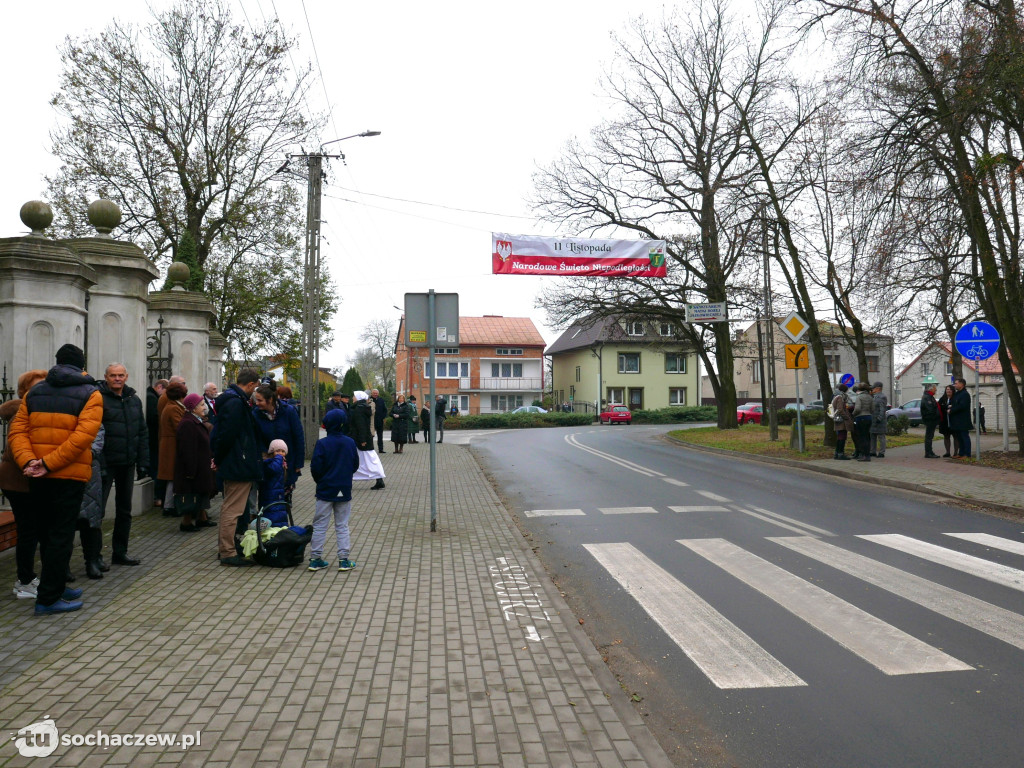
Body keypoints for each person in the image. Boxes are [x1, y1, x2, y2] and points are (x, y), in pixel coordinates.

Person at [9, 344, 102, 614]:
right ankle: (49, 598)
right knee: (61, 535)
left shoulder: (35, 392)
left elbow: (17, 433)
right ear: (82, 366)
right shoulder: (91, 393)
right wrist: (48, 464)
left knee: (46, 533)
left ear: (57, 363)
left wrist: (30, 462)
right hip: (67, 474)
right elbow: (83, 437)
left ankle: (56, 584)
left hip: (37, 474)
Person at [97, 363, 149, 566]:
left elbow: (142, 432)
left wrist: (143, 462)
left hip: (127, 463)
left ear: (126, 377)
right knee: (98, 512)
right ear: (106, 377)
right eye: (113, 375)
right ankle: (95, 557)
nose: (117, 379)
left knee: (124, 511)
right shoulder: (98, 399)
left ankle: (120, 553)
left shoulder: (134, 400)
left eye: (120, 375)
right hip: (105, 463)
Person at [1, 369, 47, 599]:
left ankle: (27, 577)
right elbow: (15, 450)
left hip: (27, 481)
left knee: (33, 530)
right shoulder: (21, 412)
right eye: (35, 387)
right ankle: (24, 582)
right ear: (24, 391)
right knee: (28, 531)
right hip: (19, 482)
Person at [211, 368, 262, 565]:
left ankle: (228, 548)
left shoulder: (233, 401)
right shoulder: (235, 403)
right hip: (237, 463)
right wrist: (220, 457)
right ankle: (227, 552)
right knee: (232, 510)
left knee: (231, 508)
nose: (255, 391)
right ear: (250, 384)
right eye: (255, 387)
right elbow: (227, 435)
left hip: (235, 461)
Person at [308, 408, 360, 572]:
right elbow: (355, 464)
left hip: (325, 489)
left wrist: (321, 481)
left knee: (320, 525)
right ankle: (344, 560)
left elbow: (315, 467)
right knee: (342, 525)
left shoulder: (322, 443)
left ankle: (315, 559)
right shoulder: (350, 442)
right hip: (344, 488)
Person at [251, 384, 305, 500]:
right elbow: (255, 439)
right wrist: (265, 454)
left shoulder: (288, 411)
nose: (256, 403)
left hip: (288, 463)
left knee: (284, 500)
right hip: (267, 464)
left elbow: (298, 437)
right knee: (267, 498)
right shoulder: (255, 414)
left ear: (270, 400)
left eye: (260, 400)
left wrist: (298, 463)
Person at [174, 393, 217, 532]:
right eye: (202, 405)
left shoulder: (196, 421)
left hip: (201, 466)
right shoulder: (188, 423)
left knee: (201, 492)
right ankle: (186, 522)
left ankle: (202, 518)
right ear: (193, 408)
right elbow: (187, 449)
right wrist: (190, 471)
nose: (204, 407)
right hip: (193, 468)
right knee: (191, 494)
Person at [76, 425, 106, 578]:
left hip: (90, 469)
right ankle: (63, 567)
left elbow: (98, 432)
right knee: (66, 522)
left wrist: (89, 453)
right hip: (65, 467)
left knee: (92, 519)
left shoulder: (90, 408)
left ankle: (92, 560)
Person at [157, 381, 188, 517]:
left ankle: (169, 505)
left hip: (171, 444)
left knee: (172, 476)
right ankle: (169, 506)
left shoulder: (174, 406)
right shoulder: (173, 407)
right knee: (172, 476)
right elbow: (180, 427)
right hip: (172, 445)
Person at [350, 391, 385, 489]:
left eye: (354, 396)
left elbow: (361, 426)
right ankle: (378, 479)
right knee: (367, 459)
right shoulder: (363, 407)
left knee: (369, 459)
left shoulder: (358, 409)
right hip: (363, 438)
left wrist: (362, 439)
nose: (353, 398)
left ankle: (379, 478)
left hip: (361, 439)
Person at [146, 378, 168, 506]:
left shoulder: (152, 397)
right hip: (153, 439)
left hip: (155, 439)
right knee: (155, 466)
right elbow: (154, 418)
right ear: (159, 387)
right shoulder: (151, 398)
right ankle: (156, 496)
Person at [258, 439, 289, 525]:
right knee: (272, 517)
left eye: (283, 451)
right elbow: (274, 469)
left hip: (277, 495)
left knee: (279, 517)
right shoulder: (269, 463)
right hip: (270, 496)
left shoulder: (280, 463)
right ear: (271, 452)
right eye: (278, 451)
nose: (280, 453)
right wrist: (279, 458)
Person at [949, 377, 972, 459]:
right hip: (957, 420)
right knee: (959, 437)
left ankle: (967, 454)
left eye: (956, 383)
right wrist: (951, 406)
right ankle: (961, 453)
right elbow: (956, 404)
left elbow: (962, 406)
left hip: (963, 420)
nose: (955, 385)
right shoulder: (958, 394)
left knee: (964, 437)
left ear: (962, 384)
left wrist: (951, 410)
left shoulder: (965, 394)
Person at [830, 383, 854, 460]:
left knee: (840, 437)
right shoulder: (840, 397)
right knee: (842, 437)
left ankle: (837, 453)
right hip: (841, 420)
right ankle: (840, 454)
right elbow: (840, 409)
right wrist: (846, 417)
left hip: (838, 419)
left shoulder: (836, 396)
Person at [851, 382, 874, 462]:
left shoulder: (859, 397)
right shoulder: (870, 397)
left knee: (861, 437)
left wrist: (853, 414)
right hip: (869, 417)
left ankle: (863, 455)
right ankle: (867, 455)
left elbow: (857, 409)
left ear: (859, 389)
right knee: (867, 437)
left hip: (860, 418)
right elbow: (872, 409)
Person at [937, 384, 959, 458]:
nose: (948, 391)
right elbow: (940, 408)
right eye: (947, 389)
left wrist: (951, 408)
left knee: (955, 436)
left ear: (953, 391)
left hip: (954, 421)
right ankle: (947, 452)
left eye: (950, 389)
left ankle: (956, 452)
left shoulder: (955, 398)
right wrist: (946, 407)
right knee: (946, 436)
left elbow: (957, 407)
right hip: (945, 422)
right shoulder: (942, 399)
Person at [920, 383, 940, 458]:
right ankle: (928, 453)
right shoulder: (927, 397)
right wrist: (934, 416)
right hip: (930, 420)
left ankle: (930, 451)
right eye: (935, 388)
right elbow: (930, 409)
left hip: (931, 419)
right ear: (931, 389)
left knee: (930, 436)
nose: (936, 390)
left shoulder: (929, 397)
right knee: (929, 436)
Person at [869, 381, 888, 458]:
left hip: (879, 420)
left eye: (873, 388)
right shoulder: (874, 397)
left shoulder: (882, 397)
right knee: (872, 436)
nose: (872, 389)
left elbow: (882, 409)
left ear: (878, 389)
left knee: (881, 437)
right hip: (873, 419)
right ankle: (873, 451)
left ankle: (881, 452)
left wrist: (879, 418)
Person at [370, 389, 387, 453]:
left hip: (379, 421)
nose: (375, 394)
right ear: (371, 393)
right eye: (374, 393)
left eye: (376, 393)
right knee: (371, 435)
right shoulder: (369, 400)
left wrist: (383, 417)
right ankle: (371, 449)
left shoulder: (381, 400)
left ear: (378, 394)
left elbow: (385, 410)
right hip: (372, 421)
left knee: (380, 436)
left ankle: (381, 449)